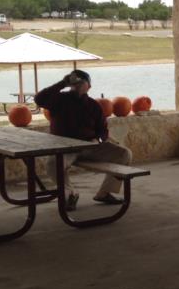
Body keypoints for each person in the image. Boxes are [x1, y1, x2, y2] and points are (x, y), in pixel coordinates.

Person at [34, 69, 132, 210]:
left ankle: (104, 193)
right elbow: (39, 99)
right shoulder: (58, 100)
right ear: (71, 84)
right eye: (76, 82)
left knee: (124, 154)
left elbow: (103, 131)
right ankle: (70, 193)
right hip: (65, 147)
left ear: (89, 86)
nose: (79, 85)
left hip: (89, 146)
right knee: (52, 164)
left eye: (82, 82)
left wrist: (97, 140)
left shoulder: (94, 105)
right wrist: (62, 83)